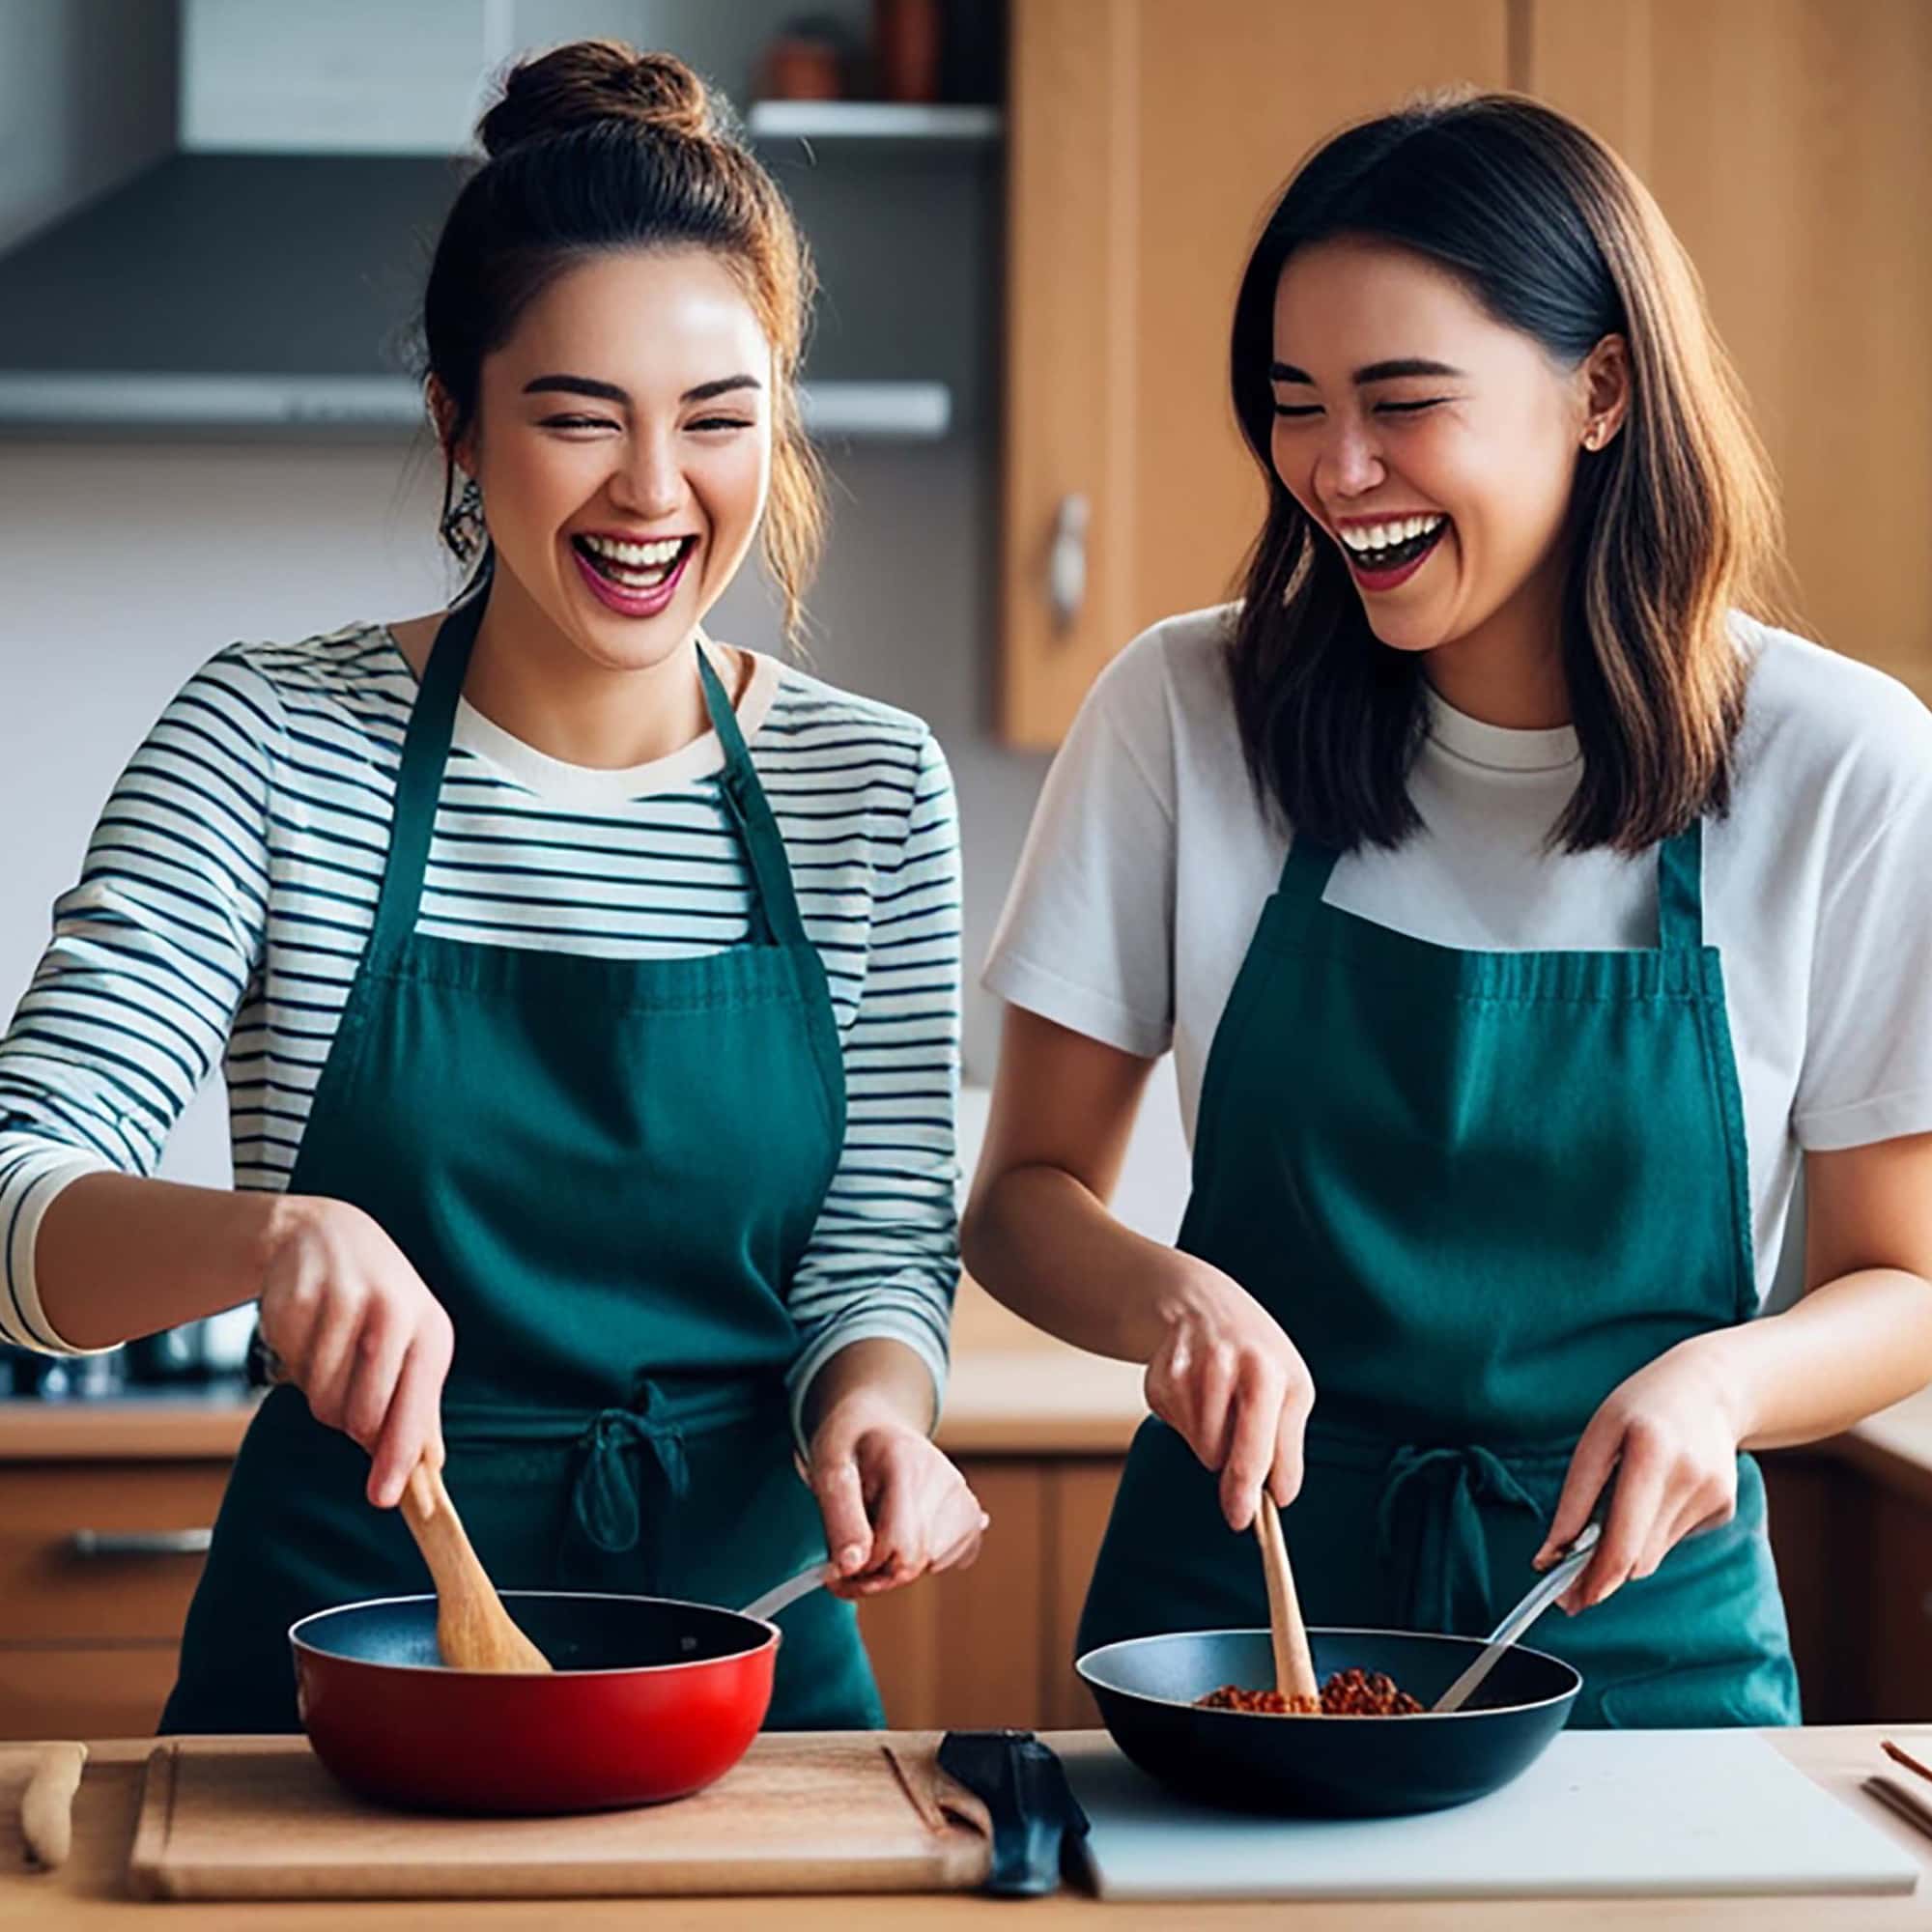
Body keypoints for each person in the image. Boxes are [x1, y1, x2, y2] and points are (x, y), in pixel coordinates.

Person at [0, 41, 983, 1732]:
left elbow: (874, 1256)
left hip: (743, 1655)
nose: (655, 493)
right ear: (458, 418)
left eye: (718, 421)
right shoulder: (270, 740)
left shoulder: (871, 783)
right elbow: (15, 1191)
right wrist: (268, 1240)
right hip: (342, 1657)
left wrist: (882, 1411)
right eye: (578, 417)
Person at [962, 92, 1932, 1727]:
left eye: (1404, 404)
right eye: (1295, 406)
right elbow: (1022, 1201)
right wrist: (1166, 1296)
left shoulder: (1839, 763)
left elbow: (1901, 1283)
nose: (1338, 474)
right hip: (1232, 1634)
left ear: (1601, 389)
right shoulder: (1185, 712)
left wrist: (1725, 1382)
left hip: (1638, 1652)